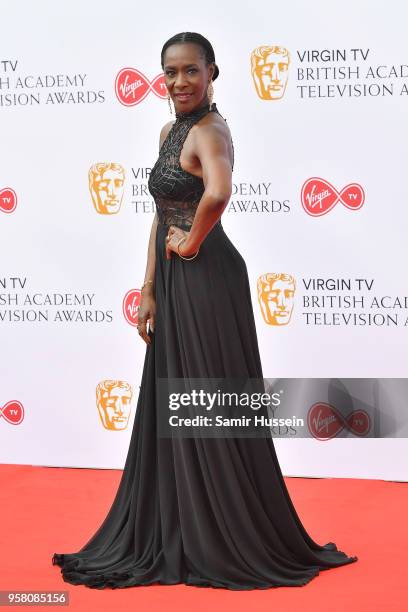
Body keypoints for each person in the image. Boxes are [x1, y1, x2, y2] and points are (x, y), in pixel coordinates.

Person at [52, 31, 358, 590]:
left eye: (191, 71)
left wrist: (191, 242)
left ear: (213, 73)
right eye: (170, 72)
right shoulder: (171, 131)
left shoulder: (213, 130)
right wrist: (148, 286)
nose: (179, 82)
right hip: (174, 279)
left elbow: (217, 191)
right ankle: (183, 525)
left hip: (208, 277)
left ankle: (221, 531)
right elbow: (161, 209)